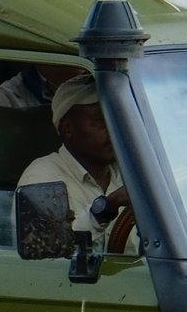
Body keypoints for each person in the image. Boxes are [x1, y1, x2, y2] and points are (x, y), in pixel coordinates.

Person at [16, 76, 137, 254]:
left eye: (115, 119)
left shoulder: (131, 172)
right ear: (67, 129)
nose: (113, 129)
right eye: (100, 122)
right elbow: (52, 250)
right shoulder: (41, 177)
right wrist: (107, 207)